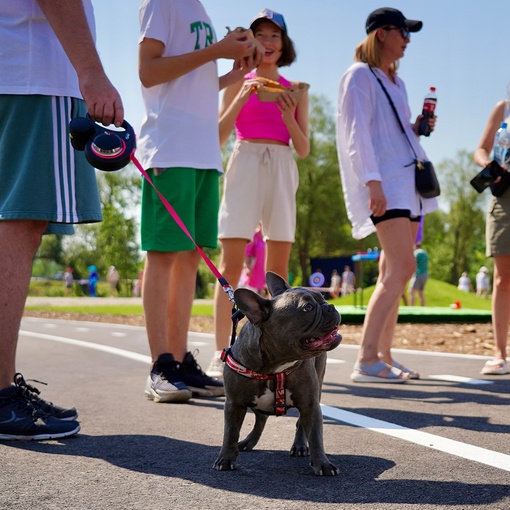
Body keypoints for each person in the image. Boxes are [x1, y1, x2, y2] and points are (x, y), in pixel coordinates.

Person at [0, 0, 124, 440]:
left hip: (14, 68)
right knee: (20, 220)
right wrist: (91, 72)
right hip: (30, 72)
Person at [138, 0, 259, 403]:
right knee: (163, 255)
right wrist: (215, 51)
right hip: (170, 149)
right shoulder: (161, 3)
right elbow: (149, 71)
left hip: (204, 152)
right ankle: (161, 365)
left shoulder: (199, 9)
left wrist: (231, 73)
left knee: (190, 258)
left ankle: (180, 362)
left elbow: (192, 83)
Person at [336, 7, 438, 383]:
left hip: (406, 183)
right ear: (381, 34)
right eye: (403, 32)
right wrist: (371, 182)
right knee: (403, 268)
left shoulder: (395, 81)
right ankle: (365, 359)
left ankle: (383, 355)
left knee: (391, 269)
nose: (407, 40)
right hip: (387, 184)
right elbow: (356, 134)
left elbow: (388, 132)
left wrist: (416, 127)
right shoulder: (358, 76)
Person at [209, 8, 309, 378]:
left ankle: (276, 356)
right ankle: (223, 352)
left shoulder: (296, 89)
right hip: (245, 157)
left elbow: (303, 148)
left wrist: (287, 116)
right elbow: (219, 136)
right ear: (250, 41)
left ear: (284, 45)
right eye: (260, 35)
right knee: (230, 265)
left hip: (282, 163)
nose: (267, 43)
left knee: (277, 271)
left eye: (274, 36)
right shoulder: (238, 79)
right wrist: (241, 94)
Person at [475, 100, 510, 375]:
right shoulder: (503, 108)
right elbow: (481, 148)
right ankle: (500, 353)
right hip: (504, 200)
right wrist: (488, 164)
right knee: (502, 278)